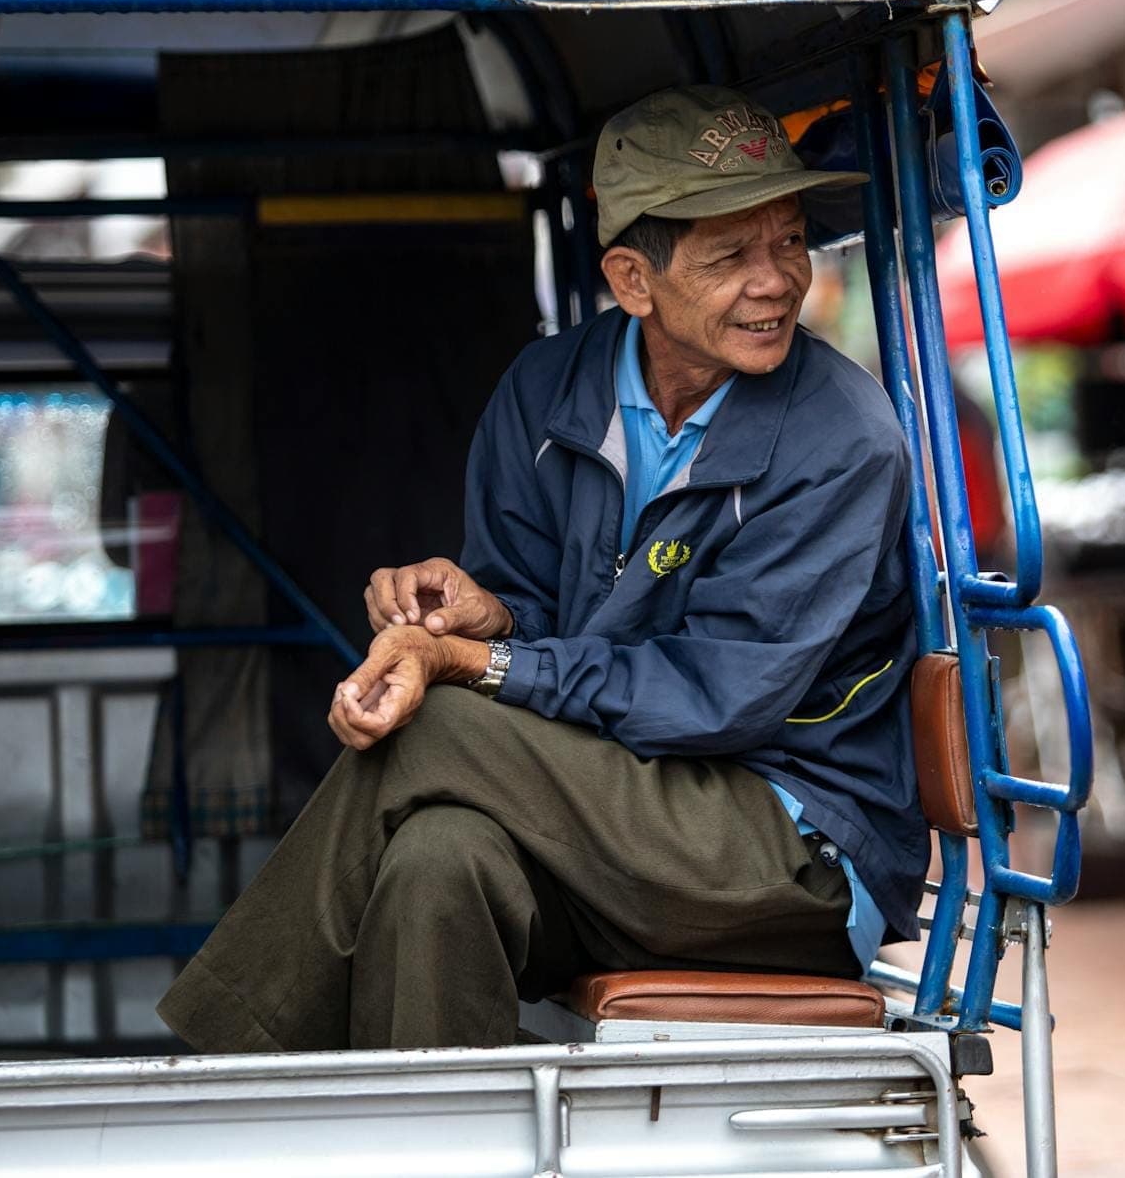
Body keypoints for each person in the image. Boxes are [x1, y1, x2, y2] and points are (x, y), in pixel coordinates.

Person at [157, 85, 929, 1053]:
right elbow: (538, 618)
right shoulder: (545, 389)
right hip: (603, 822)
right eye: (730, 254)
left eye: (786, 241)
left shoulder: (839, 440)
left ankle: (227, 1062)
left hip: (782, 847)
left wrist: (478, 668)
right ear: (631, 280)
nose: (776, 280)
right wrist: (490, 618)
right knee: (437, 861)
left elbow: (713, 697)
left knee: (439, 721)